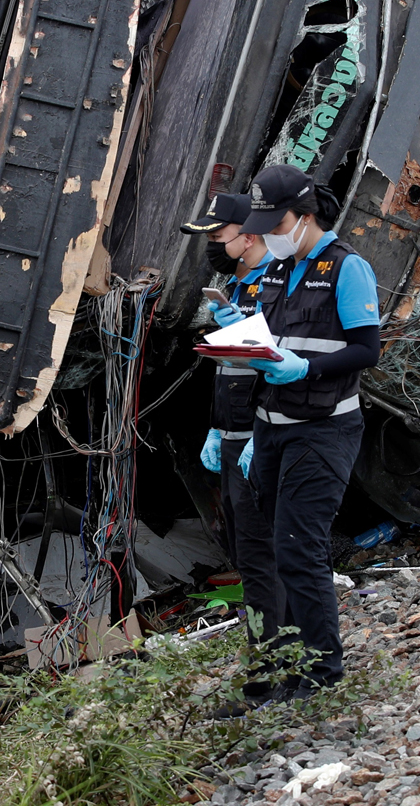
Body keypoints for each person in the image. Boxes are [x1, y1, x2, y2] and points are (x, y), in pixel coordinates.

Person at [234, 164, 381, 699]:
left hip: (323, 429)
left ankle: (319, 674)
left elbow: (368, 349)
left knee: (300, 549)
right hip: (270, 427)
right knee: (274, 551)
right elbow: (273, 340)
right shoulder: (276, 271)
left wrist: (305, 368)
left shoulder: (348, 269)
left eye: (277, 222)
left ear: (305, 216)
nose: (270, 233)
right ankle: (281, 674)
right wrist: (240, 336)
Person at [182, 193, 285, 708]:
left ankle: (274, 676)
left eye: (217, 237)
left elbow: (277, 368)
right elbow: (233, 369)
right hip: (234, 433)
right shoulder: (240, 285)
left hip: (257, 437)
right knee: (245, 554)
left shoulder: (275, 283)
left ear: (248, 235)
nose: (212, 247)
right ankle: (268, 665)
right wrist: (219, 428)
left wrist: (257, 438)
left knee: (261, 557)